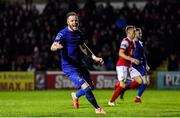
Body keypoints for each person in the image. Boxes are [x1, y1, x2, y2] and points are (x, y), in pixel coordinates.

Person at [50, 11, 106, 114]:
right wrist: (56, 47)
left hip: (80, 64)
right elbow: (52, 46)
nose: (75, 22)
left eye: (76, 20)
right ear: (67, 22)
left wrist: (94, 57)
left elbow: (84, 48)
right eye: (72, 20)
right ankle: (98, 109)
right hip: (69, 67)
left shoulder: (79, 33)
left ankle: (75, 96)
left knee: (91, 86)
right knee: (87, 88)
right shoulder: (62, 33)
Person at [108, 25, 140, 106]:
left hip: (128, 66)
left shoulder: (132, 43)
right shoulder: (125, 41)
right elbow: (120, 53)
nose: (135, 33)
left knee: (137, 81)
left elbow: (131, 54)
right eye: (133, 32)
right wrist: (132, 59)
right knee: (122, 85)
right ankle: (111, 101)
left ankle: (118, 87)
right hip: (122, 65)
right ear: (129, 32)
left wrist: (134, 60)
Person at [120, 28, 150, 103]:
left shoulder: (140, 43)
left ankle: (138, 98)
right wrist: (130, 61)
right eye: (139, 33)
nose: (141, 34)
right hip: (133, 65)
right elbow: (126, 53)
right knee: (140, 82)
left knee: (146, 82)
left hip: (140, 65)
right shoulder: (130, 43)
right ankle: (123, 89)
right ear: (135, 34)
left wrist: (146, 64)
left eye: (141, 33)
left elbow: (143, 55)